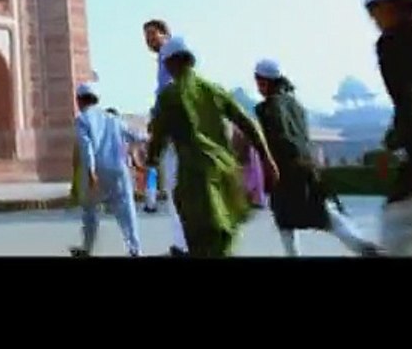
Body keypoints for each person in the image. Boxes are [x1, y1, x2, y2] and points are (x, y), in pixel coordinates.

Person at [147, 36, 280, 258]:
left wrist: (151, 159)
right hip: (225, 173)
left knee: (200, 240)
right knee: (224, 235)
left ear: (170, 63)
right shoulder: (213, 89)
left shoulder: (169, 95)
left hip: (195, 178)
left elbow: (158, 136)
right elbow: (247, 123)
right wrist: (268, 159)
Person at [253, 59, 379, 256]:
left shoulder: (267, 108)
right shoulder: (296, 105)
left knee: (287, 222)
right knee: (323, 214)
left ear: (263, 82)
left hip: (286, 172)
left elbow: (279, 139)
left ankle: (363, 248)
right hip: (308, 167)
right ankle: (363, 246)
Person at [363, 0, 412, 255]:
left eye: (373, 8)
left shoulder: (392, 43)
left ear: (392, 5)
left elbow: (410, 102)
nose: (372, 17)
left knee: (396, 229)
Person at [70, 83, 147, 258]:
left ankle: (87, 247)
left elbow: (86, 147)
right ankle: (135, 248)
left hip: (97, 171)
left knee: (90, 211)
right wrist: (149, 138)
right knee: (127, 210)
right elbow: (134, 135)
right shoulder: (112, 118)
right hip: (119, 169)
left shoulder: (82, 119)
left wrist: (91, 171)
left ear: (79, 101)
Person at [143, 19, 188, 256]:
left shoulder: (167, 60)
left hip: (173, 132)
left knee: (175, 187)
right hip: (179, 131)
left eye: (153, 34)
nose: (149, 40)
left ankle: (183, 245)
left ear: (165, 34)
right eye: (146, 37)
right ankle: (184, 243)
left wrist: (157, 123)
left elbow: (166, 94)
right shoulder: (167, 61)